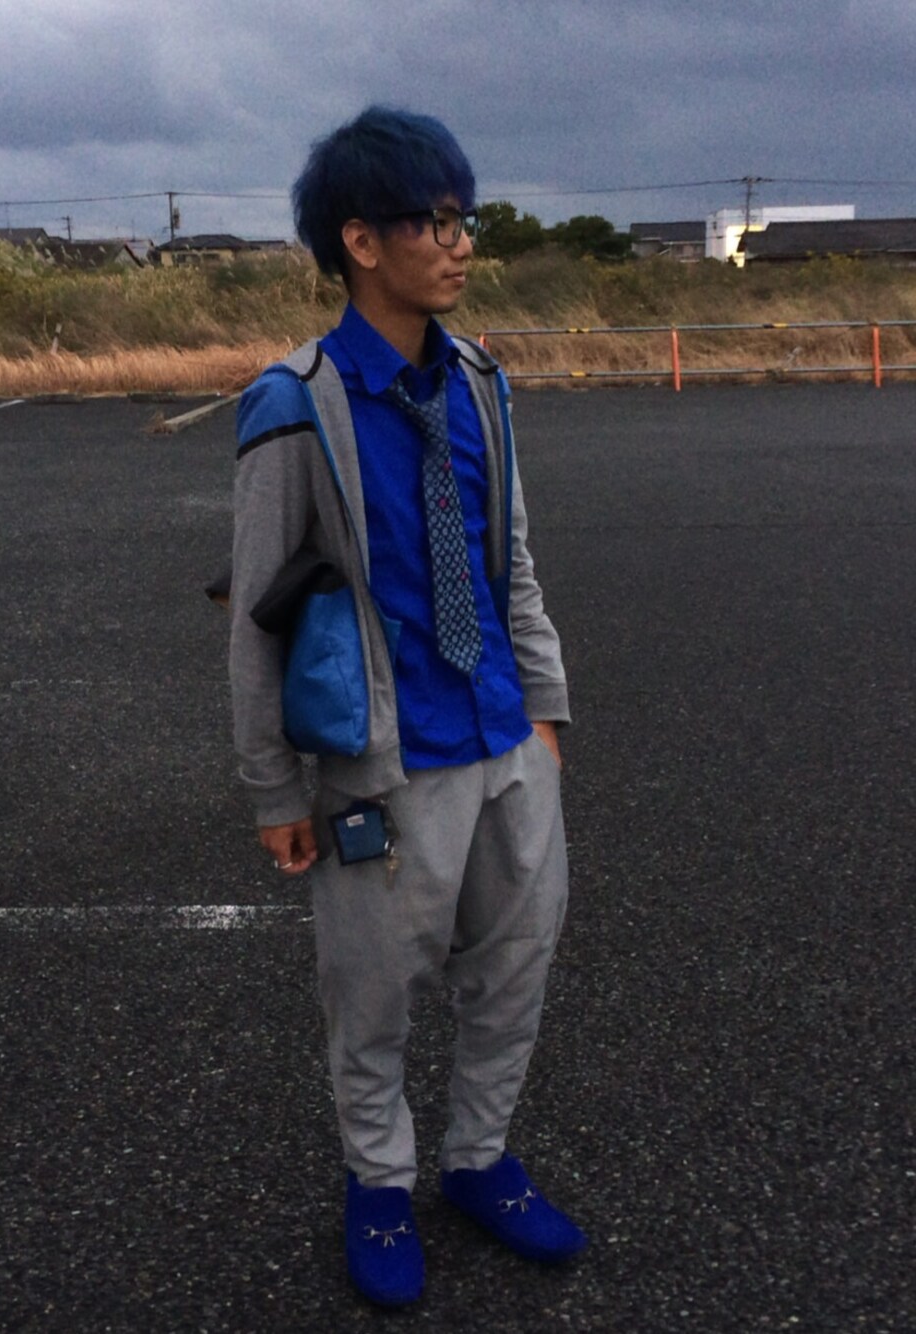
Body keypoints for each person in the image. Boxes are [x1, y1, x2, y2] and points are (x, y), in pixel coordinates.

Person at [229, 105, 586, 1307]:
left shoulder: (480, 381)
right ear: (359, 240)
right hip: (381, 760)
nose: (460, 241)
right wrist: (272, 785)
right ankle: (377, 1183)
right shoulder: (293, 401)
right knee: (371, 998)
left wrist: (544, 711)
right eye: (432, 220)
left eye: (462, 216)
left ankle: (480, 1159)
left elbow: (509, 558)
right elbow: (256, 612)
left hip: (503, 737)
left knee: (514, 970)